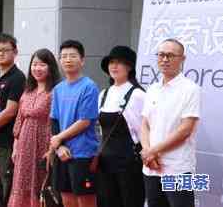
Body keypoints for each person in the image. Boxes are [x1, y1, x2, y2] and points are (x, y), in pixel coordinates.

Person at [141, 38, 200, 207]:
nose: (165, 59)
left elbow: (185, 130)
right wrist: (147, 152)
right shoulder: (152, 89)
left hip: (179, 168)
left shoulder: (191, 89)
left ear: (182, 59)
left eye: (170, 55)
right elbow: (145, 124)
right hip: (151, 167)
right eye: (161, 55)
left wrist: (153, 151)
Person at [8, 48, 61, 207]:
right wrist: (15, 147)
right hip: (24, 146)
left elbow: (57, 122)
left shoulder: (55, 92)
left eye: (42, 65)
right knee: (21, 184)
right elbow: (19, 121)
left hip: (44, 144)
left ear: (51, 67)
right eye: (34, 64)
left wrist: (52, 149)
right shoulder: (27, 91)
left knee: (42, 183)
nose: (37, 68)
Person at [49, 40, 99, 207]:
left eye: (72, 56)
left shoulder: (89, 86)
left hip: (83, 154)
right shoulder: (58, 89)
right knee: (66, 199)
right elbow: (54, 119)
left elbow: (85, 121)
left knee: (85, 200)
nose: (68, 60)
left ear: (82, 60)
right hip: (62, 153)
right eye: (64, 56)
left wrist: (58, 139)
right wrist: (59, 147)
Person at [97, 46, 146, 207]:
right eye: (111, 62)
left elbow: (144, 131)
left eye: (119, 63)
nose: (114, 66)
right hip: (105, 163)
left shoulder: (138, 95)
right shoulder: (104, 93)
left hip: (129, 162)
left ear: (130, 67)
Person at [0, 33, 26, 207]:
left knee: (7, 188)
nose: (0, 54)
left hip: (7, 143)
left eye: (5, 50)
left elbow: (10, 112)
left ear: (15, 52)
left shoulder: (18, 78)